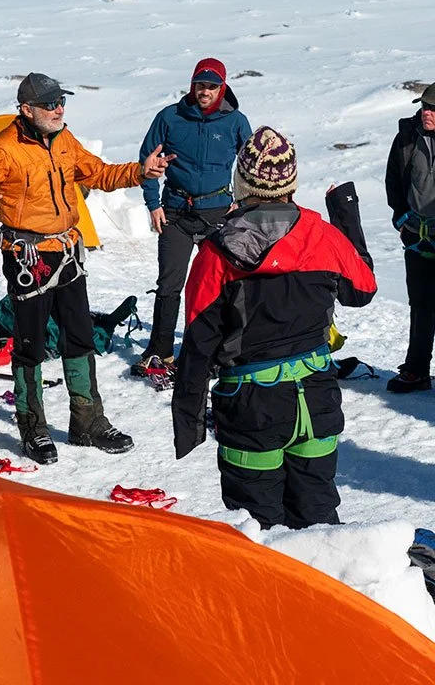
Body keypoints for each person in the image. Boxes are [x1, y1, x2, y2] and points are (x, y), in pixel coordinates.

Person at [171, 127, 376, 529]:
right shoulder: (324, 235)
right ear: (291, 183)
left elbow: (198, 342)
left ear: (241, 182)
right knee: (318, 523)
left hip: (252, 408)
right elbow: (362, 289)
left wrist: (189, 422)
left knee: (257, 531)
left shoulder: (216, 252)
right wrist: (344, 212)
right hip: (315, 402)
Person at [0, 72, 167, 464]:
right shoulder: (3, 149)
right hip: (28, 257)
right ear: (27, 109)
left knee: (79, 336)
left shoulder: (64, 140)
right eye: (50, 104)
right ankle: (32, 428)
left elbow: (99, 173)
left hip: (67, 252)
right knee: (30, 344)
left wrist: (140, 171)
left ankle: (87, 423)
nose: (59, 109)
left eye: (61, 102)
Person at [134, 58, 252, 376]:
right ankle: (160, 351)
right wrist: (153, 204)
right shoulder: (170, 118)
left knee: (219, 284)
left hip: (217, 212)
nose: (205, 91)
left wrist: (241, 205)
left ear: (222, 87)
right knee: (170, 284)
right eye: (201, 84)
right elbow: (149, 161)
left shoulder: (236, 121)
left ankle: (220, 348)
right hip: (175, 211)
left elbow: (250, 165)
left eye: (212, 86)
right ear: (192, 85)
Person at [385, 82, 435, 393]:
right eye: (424, 107)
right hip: (418, 237)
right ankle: (416, 370)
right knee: (420, 305)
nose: (426, 112)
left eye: (432, 108)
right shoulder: (407, 139)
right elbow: (394, 179)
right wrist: (400, 216)